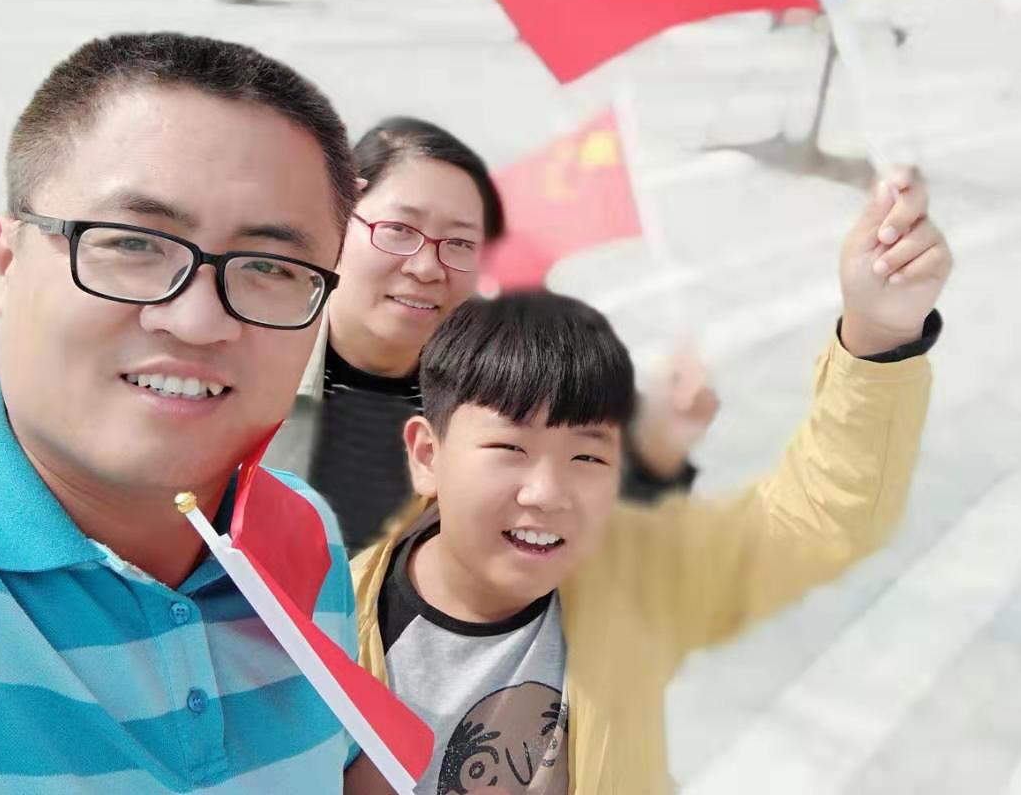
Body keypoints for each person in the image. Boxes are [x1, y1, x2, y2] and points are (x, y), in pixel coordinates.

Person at [0, 32, 392, 792]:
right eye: (133, 244)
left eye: (270, 266)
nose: (197, 321)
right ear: (7, 260)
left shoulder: (302, 537)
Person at [351, 171, 950, 793]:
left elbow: (817, 522)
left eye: (587, 457)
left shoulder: (633, 582)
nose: (547, 492)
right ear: (428, 454)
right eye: (510, 448)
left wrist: (879, 336)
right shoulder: (326, 622)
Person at [263, 117, 718, 552]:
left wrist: (659, 452)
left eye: (460, 243)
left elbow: (585, 537)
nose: (426, 267)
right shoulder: (249, 356)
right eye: (398, 230)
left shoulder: (506, 388)